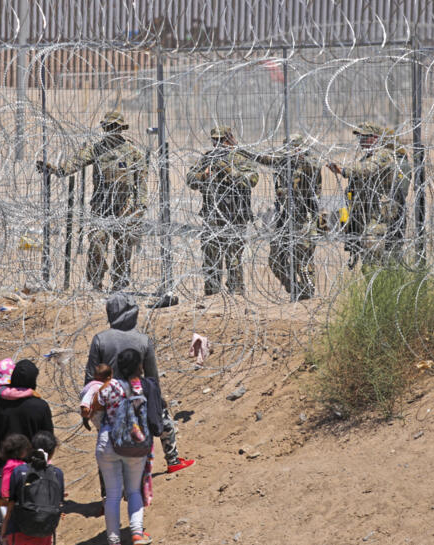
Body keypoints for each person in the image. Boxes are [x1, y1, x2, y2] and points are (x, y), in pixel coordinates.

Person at [36, 111, 147, 291]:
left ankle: (119, 283)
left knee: (123, 246)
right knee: (96, 242)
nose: (111, 131)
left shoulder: (133, 153)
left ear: (120, 129)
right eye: (109, 127)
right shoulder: (96, 149)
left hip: (124, 206)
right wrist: (54, 169)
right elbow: (72, 165)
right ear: (105, 129)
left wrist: (141, 206)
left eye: (115, 127)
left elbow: (141, 181)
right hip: (101, 205)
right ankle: (96, 281)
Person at [85, 293, 192, 473]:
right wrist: (158, 402)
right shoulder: (143, 340)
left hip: (110, 398)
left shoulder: (100, 339)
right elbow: (152, 377)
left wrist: (89, 405)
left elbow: (91, 377)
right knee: (166, 422)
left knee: (105, 443)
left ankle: (107, 489)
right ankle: (172, 459)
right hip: (138, 395)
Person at [240, 133, 323, 300]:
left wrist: (299, 157)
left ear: (300, 148)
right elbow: (263, 158)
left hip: (304, 217)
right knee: (275, 259)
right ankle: (294, 288)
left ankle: (308, 293)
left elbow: (313, 169)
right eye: (286, 148)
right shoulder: (283, 161)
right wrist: (241, 150)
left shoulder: (310, 164)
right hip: (284, 219)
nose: (287, 152)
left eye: (291, 148)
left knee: (303, 260)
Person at [93, 349, 156, 545]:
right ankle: (137, 533)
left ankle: (114, 544)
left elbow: (94, 410)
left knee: (112, 495)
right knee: (133, 490)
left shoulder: (109, 386)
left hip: (109, 442)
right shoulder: (144, 386)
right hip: (135, 443)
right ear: (140, 366)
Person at [186, 126, 259, 295]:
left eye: (222, 140)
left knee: (234, 258)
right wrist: (204, 175)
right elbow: (190, 180)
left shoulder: (241, 158)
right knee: (211, 258)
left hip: (236, 215)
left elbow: (252, 180)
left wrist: (228, 171)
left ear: (230, 139)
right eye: (215, 140)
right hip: (212, 216)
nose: (218, 144)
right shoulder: (207, 159)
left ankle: (237, 291)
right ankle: (212, 293)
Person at [0, 360, 53, 522]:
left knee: (5, 517)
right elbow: (48, 438)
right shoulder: (40, 406)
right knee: (31, 513)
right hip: (32, 468)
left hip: (3, 468)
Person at [327, 121, 397, 269]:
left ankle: (380, 288)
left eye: (364, 137)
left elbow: (368, 169)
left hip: (378, 212)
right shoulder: (365, 158)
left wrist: (344, 170)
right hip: (363, 213)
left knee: (373, 262)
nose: (361, 141)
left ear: (375, 137)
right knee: (368, 263)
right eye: (360, 138)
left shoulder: (384, 155)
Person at [0, 431, 63, 545]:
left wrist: (4, 530)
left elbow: (11, 504)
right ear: (52, 452)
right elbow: (58, 503)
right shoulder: (57, 473)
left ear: (31, 449)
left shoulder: (19, 471)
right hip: (44, 531)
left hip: (18, 530)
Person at [0, 435, 31, 508]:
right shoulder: (11, 465)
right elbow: (5, 487)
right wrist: (6, 498)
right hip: (13, 502)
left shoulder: (15, 463)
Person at [80, 364, 112, 431]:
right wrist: (85, 409)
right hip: (98, 416)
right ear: (109, 377)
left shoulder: (92, 385)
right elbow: (87, 398)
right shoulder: (95, 386)